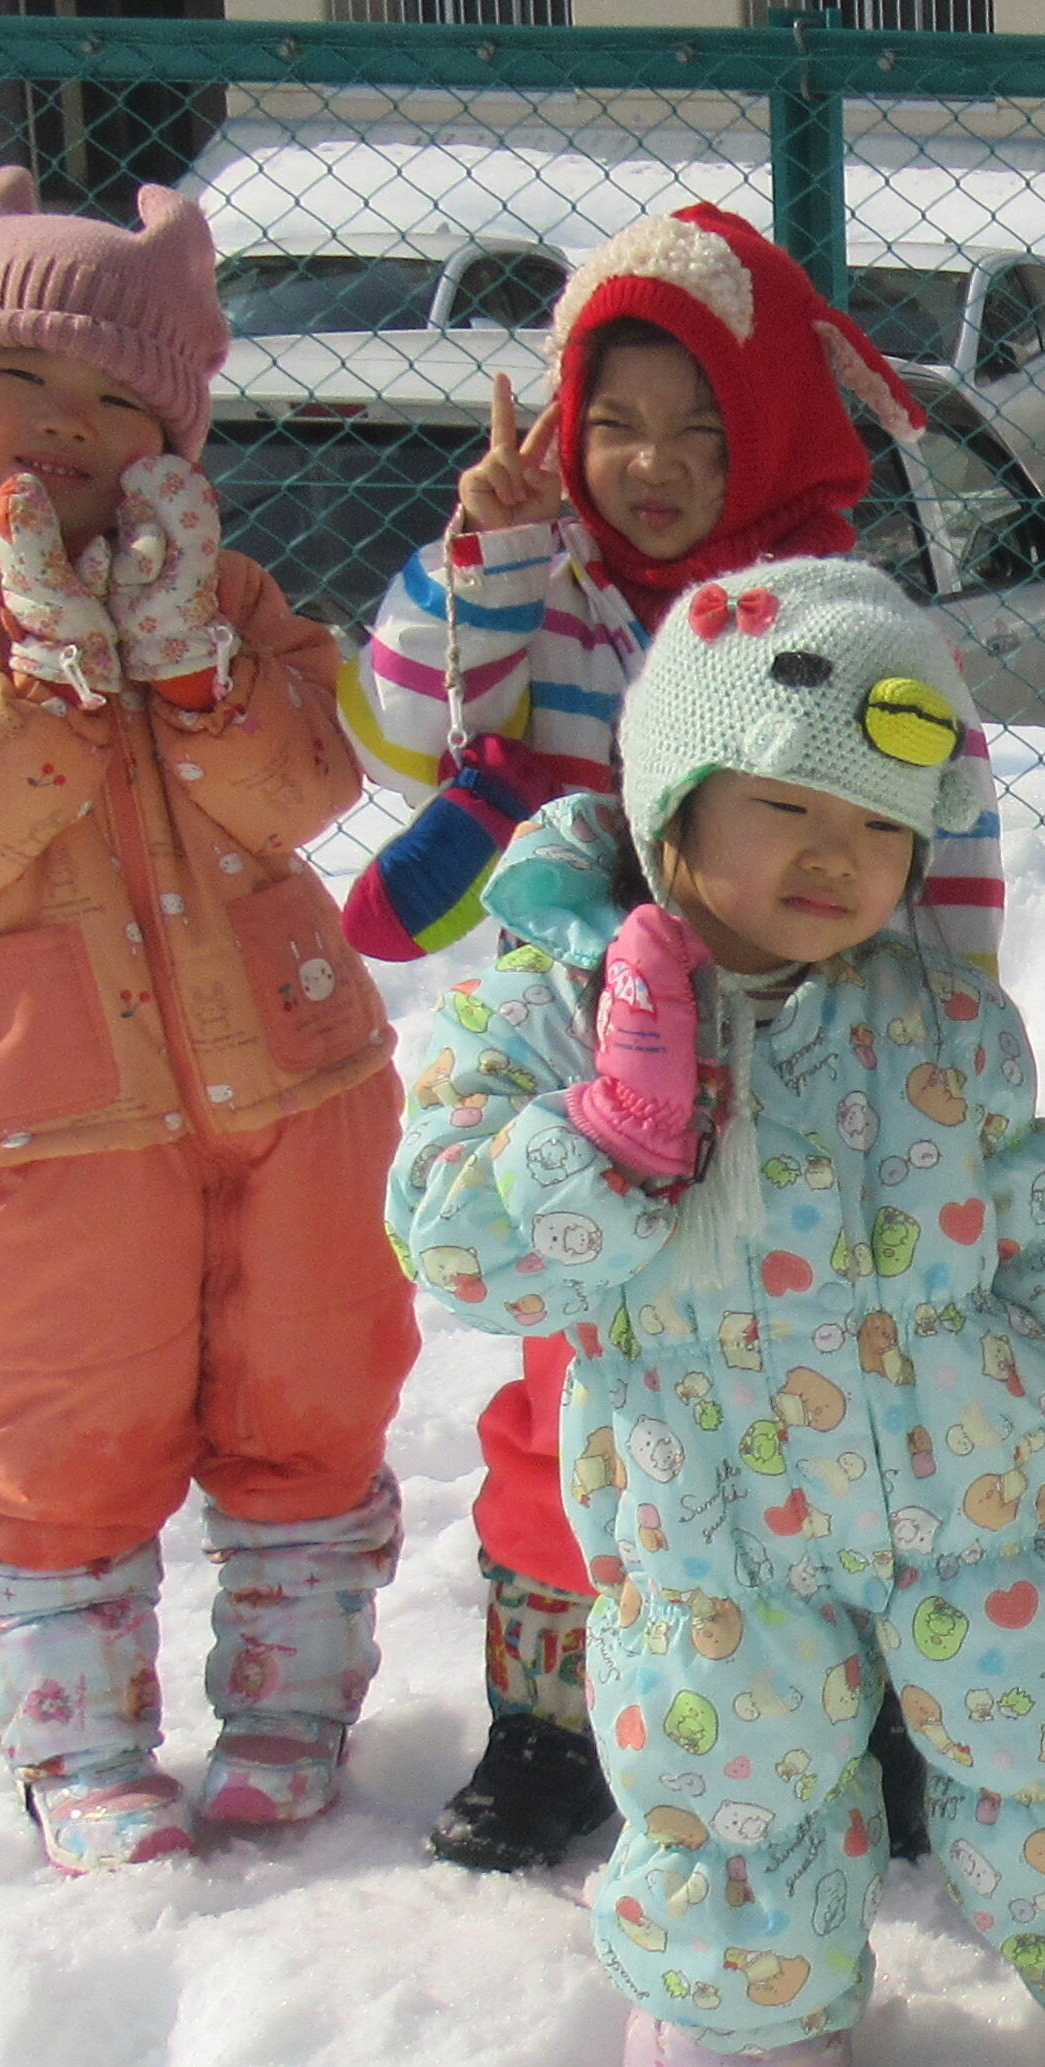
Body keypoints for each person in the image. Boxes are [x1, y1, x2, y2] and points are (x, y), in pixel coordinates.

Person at [388, 560, 1045, 2067]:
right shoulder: (542, 1001)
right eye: (782, 804)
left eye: (878, 824)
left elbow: (1043, 1234)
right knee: (731, 1802)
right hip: (714, 1530)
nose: (834, 855)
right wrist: (604, 1134)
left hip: (984, 1498)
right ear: (672, 799)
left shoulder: (939, 1018)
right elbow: (458, 1245)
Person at [0, 166, 418, 1874]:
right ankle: (80, 1744)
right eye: (24, 385)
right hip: (35, 1114)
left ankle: (291, 1705)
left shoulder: (220, 587)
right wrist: (36, 673)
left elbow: (301, 785)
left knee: (314, 1380)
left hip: (288, 1079)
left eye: (121, 398)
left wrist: (192, 661)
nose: (68, 425)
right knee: (60, 1415)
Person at [334, 207, 996, 1881]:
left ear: (769, 430)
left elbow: (944, 826)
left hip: (813, 1077)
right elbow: (410, 720)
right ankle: (552, 1718)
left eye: (703, 429)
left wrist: (938, 1037)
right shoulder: (539, 595)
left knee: (842, 1405)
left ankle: (859, 1710)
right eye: (614, 421)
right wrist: (478, 550)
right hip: (594, 1087)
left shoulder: (831, 612)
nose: (652, 463)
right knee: (572, 1407)